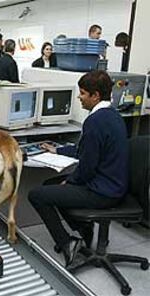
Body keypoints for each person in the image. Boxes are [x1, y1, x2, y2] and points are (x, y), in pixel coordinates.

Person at [28, 70, 128, 267]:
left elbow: (87, 167)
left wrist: (70, 181)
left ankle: (68, 244)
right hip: (114, 185)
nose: (79, 98)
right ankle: (84, 227)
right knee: (50, 184)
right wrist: (58, 150)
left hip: (103, 192)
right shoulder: (113, 115)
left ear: (95, 95)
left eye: (82, 93)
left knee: (37, 195)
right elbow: (86, 150)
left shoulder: (95, 121)